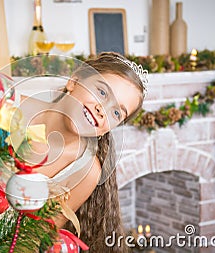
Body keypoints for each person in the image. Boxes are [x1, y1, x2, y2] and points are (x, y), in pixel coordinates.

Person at [13, 52, 147, 252]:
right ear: (74, 81)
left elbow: (33, 239)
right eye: (102, 93)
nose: (103, 110)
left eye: (117, 112)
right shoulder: (12, 108)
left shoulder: (86, 172)